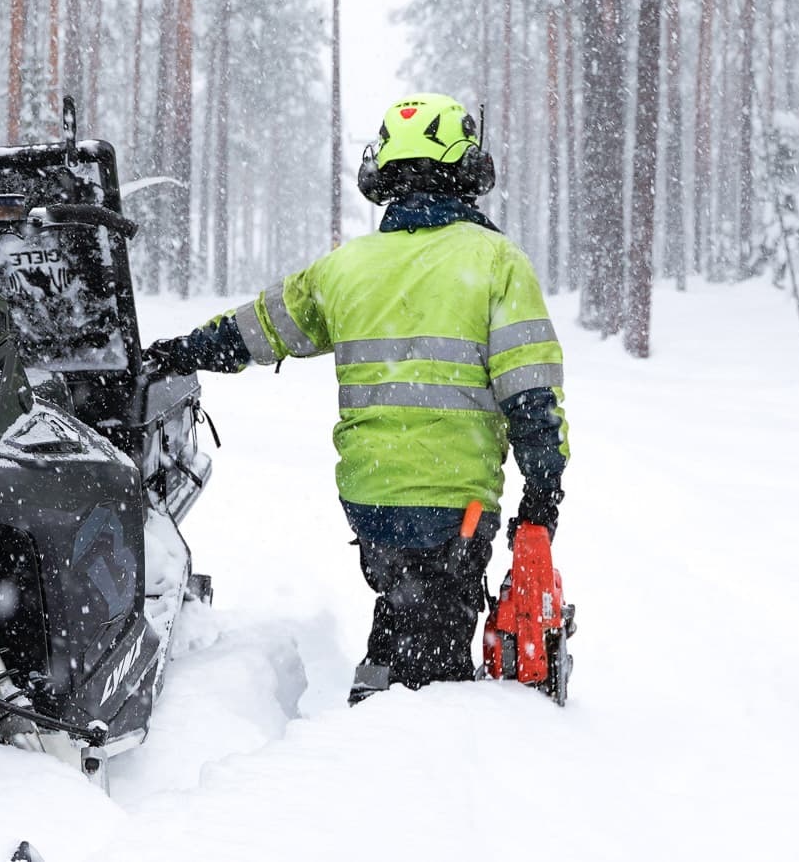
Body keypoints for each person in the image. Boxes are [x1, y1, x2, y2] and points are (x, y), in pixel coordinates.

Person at [143, 93, 568, 704]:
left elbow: (257, 329)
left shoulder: (346, 267)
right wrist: (542, 496)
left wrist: (180, 351)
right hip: (457, 506)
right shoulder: (496, 262)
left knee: (404, 609)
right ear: (465, 167)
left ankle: (378, 689)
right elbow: (531, 396)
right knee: (435, 660)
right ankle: (402, 733)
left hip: (369, 504)